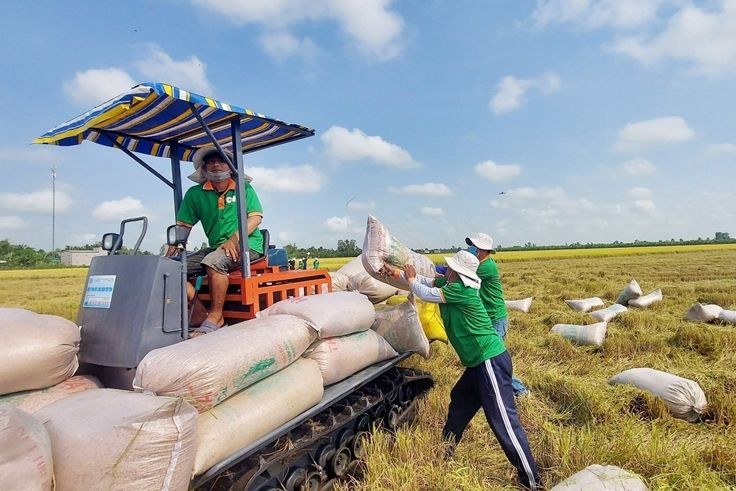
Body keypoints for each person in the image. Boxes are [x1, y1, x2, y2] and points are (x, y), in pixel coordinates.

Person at [382, 251, 540, 490]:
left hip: (489, 361)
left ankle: (532, 481)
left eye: (451, 268)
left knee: (504, 422)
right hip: (478, 363)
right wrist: (398, 274)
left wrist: (412, 280)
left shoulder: (462, 290)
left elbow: (423, 291)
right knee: (460, 398)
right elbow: (424, 283)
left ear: (459, 271)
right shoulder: (450, 283)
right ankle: (445, 449)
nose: (447, 270)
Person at [166, 145, 264, 335]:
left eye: (221, 161)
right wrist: (172, 246)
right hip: (216, 247)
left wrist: (234, 239)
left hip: (248, 245)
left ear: (230, 168)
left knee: (213, 262)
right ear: (204, 168)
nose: (217, 165)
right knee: (169, 268)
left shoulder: (244, 188)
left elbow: (255, 218)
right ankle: (200, 313)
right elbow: (184, 225)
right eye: (212, 162)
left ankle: (216, 317)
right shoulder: (195, 194)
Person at [466, 233, 529, 397]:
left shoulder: (485, 267)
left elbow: (460, 275)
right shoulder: (480, 264)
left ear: (481, 250)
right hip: (489, 317)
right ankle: (485, 388)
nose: (470, 249)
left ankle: (520, 391)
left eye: (473, 246)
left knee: (495, 360)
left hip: (495, 318)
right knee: (486, 358)